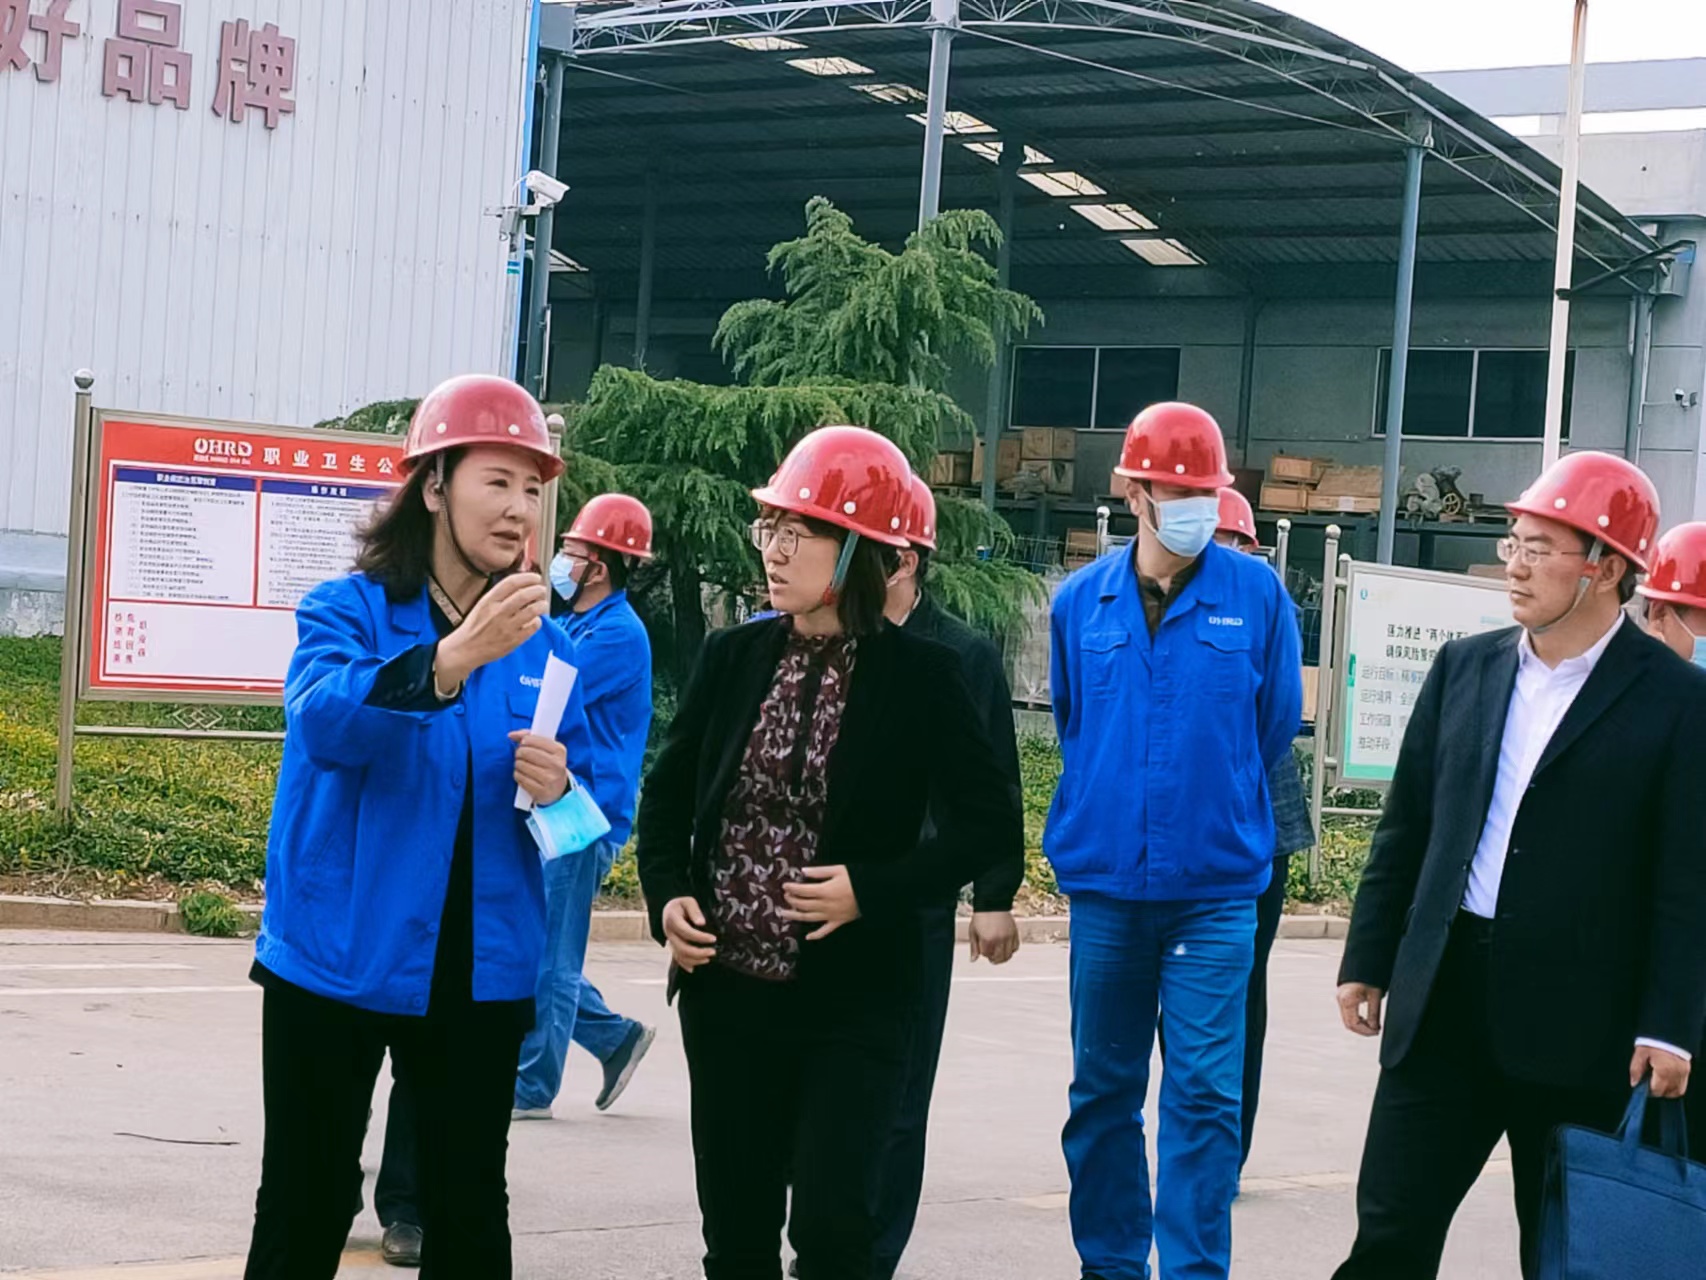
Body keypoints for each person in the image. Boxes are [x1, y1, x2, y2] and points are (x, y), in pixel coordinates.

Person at [635, 426, 1024, 1280]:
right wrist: (668, 894)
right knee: (735, 1234)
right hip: (727, 989)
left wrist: (873, 890)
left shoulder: (925, 675)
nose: (773, 552)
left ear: (858, 552)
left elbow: (989, 824)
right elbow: (666, 794)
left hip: (855, 1001)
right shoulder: (733, 655)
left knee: (833, 1230)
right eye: (768, 529)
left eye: (797, 533)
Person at [243, 374, 600, 1280]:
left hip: (480, 970)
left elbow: (582, 825)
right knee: (306, 1198)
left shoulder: (549, 646)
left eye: (533, 488)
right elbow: (323, 722)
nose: (520, 509)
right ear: (434, 486)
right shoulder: (348, 609)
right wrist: (450, 660)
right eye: (497, 481)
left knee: (468, 1209)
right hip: (338, 954)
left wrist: (560, 789)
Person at [1333, 452, 1706, 1280]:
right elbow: (1408, 827)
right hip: (1444, 1003)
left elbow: (1688, 881)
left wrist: (1669, 1025)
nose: (1516, 565)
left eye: (1540, 548)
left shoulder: (1678, 701)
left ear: (1605, 567)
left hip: (1584, 1027)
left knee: (1564, 1255)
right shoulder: (1465, 668)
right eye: (1514, 544)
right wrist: (1368, 957)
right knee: (1389, 1237)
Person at [1046, 403, 1302, 1280]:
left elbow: (1273, 726)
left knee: (1204, 1097)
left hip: (1215, 891)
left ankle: (1194, 1271)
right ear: (1134, 490)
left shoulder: (1257, 598)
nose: (1192, 507)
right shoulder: (1081, 602)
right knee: (1102, 1093)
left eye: (1204, 492)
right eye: (1174, 491)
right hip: (1108, 888)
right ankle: (1111, 1265)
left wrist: (1205, 796)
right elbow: (1074, 721)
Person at [868, 475, 1026, 1280]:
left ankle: (871, 1255)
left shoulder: (962, 656)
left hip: (918, 902)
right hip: (828, 893)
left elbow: (995, 783)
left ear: (902, 561)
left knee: (901, 1093)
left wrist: (993, 895)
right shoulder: (829, 639)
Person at [513, 493, 660, 1116]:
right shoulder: (579, 624)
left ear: (598, 566)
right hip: (554, 806)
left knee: (550, 954)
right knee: (539, 944)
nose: (561, 561)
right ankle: (614, 1038)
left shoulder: (616, 635)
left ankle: (532, 1085)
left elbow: (541, 690)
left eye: (571, 552)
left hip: (582, 814)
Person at [1212, 487, 1316, 1168]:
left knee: (1242, 989)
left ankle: (1228, 1147)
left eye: (1231, 542)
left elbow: (1279, 714)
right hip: (1188, 836)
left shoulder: (1266, 608)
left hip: (1261, 828)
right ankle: (1200, 1134)